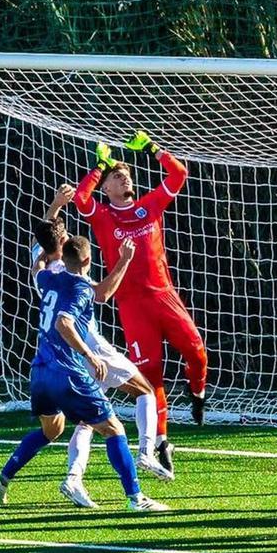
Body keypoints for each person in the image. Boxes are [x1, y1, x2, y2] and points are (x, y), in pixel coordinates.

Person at [0, 235, 168, 512]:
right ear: (87, 260)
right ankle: (136, 498)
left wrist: (47, 248)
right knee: (113, 429)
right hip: (67, 371)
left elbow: (37, 268)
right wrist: (88, 354)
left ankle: (1, 482)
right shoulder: (81, 288)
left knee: (53, 430)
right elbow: (64, 322)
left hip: (39, 372)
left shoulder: (47, 279)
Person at [73, 132, 209, 475]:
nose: (124, 179)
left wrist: (152, 148)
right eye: (116, 177)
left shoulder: (149, 206)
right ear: (107, 189)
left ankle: (197, 392)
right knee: (151, 377)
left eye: (127, 175)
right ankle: (161, 441)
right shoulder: (103, 216)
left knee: (197, 353)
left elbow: (178, 174)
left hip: (165, 296)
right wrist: (100, 165)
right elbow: (80, 199)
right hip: (133, 307)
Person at [33, 185, 172, 509]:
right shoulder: (77, 280)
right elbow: (100, 294)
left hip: (59, 355)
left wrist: (55, 206)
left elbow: (47, 235)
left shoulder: (41, 269)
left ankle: (73, 477)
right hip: (88, 346)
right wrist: (124, 260)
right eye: (64, 230)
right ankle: (145, 455)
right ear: (81, 256)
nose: (65, 231)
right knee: (144, 391)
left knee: (88, 420)